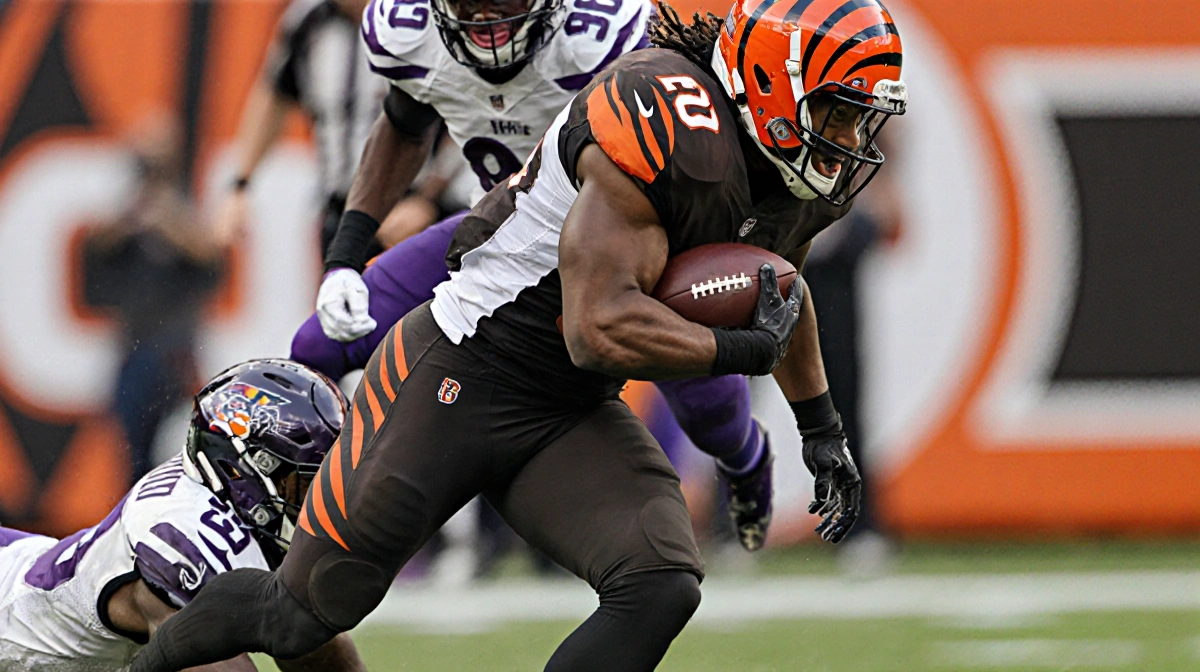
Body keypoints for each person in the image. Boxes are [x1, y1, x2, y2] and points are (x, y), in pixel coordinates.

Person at [131, 1, 906, 670]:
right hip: (463, 369)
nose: (851, 136)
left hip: (566, 407)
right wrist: (740, 352)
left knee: (660, 580)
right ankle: (143, 649)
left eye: (860, 116)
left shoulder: (797, 173)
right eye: (839, 109)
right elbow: (597, 328)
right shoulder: (666, 116)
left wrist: (821, 430)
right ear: (775, 82)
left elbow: (779, 291)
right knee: (301, 613)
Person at [294, 0, 775, 551]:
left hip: (620, 253)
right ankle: (290, 522)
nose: (486, 20)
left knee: (713, 416)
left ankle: (747, 460)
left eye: (505, 1)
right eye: (468, 3)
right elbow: (404, 125)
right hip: (501, 241)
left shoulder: (603, 38)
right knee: (318, 343)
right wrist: (344, 258)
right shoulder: (409, 31)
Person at [0, 360, 365, 671]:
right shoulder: (183, 538)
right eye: (306, 482)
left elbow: (305, 637)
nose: (324, 497)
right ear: (250, 469)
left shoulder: (227, 495)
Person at [215, 0, 462, 259]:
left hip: (416, 214)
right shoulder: (310, 19)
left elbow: (469, 109)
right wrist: (241, 185)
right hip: (341, 214)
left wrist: (428, 200)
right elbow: (275, 96)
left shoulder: (425, 16)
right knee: (340, 296)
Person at [82, 114, 228, 483]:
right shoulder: (128, 208)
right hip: (133, 346)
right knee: (131, 453)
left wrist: (167, 222)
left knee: (176, 452)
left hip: (174, 353)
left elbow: (210, 255)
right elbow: (96, 246)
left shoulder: (183, 205)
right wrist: (134, 216)